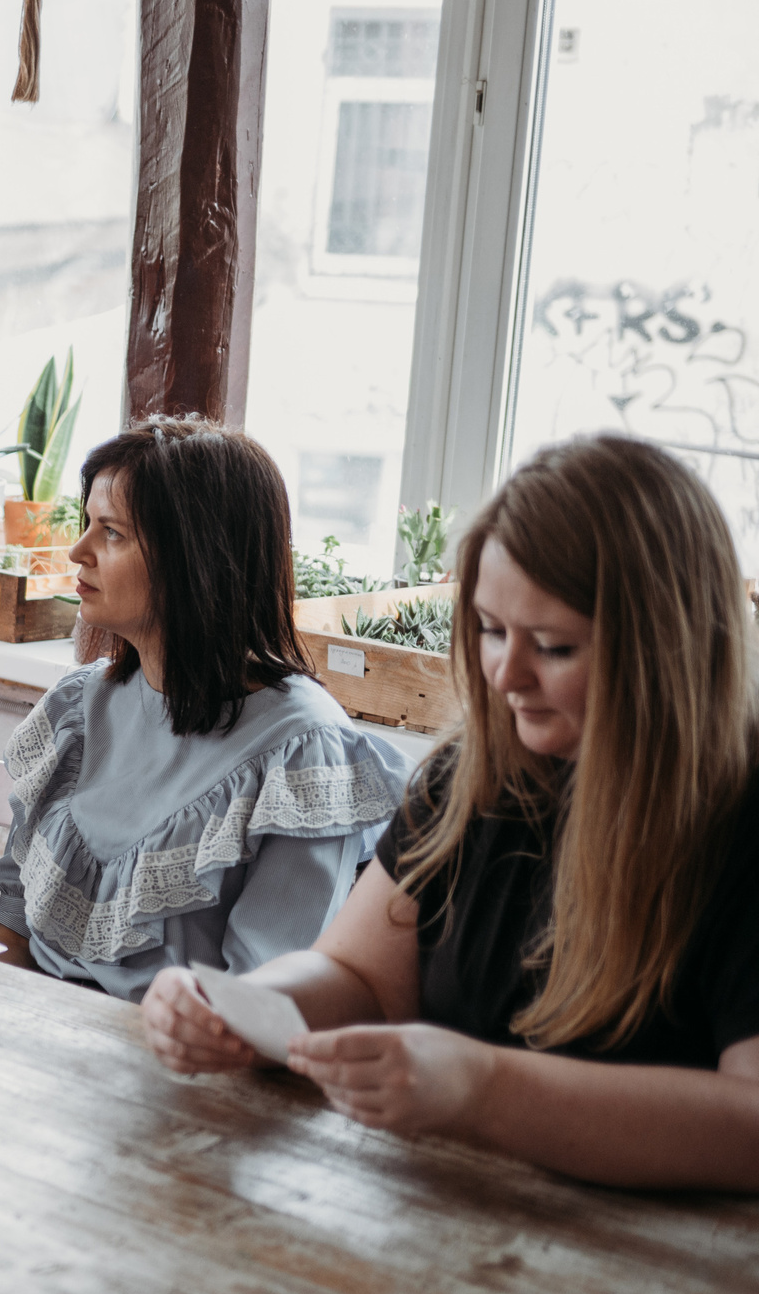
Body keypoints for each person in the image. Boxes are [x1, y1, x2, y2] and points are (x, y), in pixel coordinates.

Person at [141, 433, 759, 1189]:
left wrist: (485, 1089)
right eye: (492, 632)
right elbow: (359, 977)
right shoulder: (471, 780)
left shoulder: (738, 819)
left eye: (555, 647)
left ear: (668, 646)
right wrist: (238, 1007)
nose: (506, 672)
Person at [0, 419, 406, 999]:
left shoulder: (303, 754)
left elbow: (259, 998)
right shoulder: (75, 708)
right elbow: (13, 922)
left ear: (195, 558)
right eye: (87, 525)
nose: (78, 551)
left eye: (110, 532)